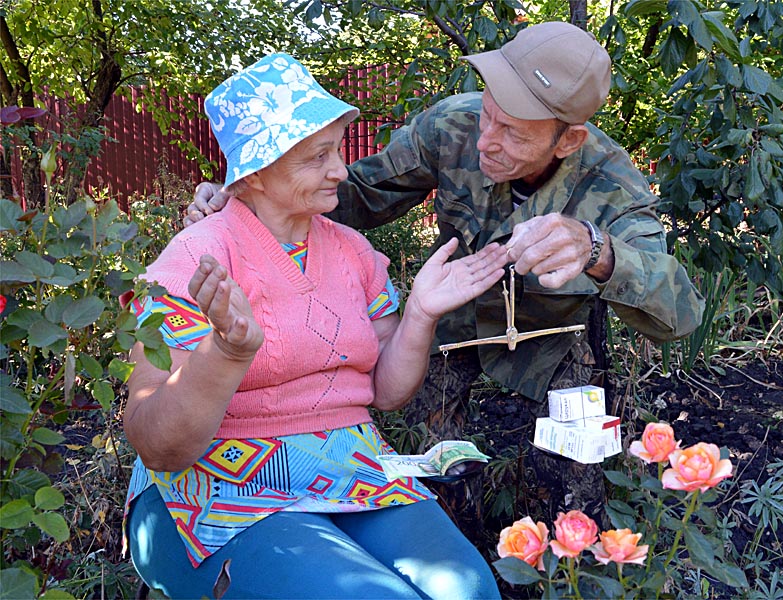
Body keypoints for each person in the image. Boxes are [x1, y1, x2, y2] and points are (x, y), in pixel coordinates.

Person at [187, 22, 705, 530]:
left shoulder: (613, 186)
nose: (486, 143)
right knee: (427, 475)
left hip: (550, 347)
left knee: (569, 502)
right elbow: (357, 195)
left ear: (567, 140)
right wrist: (246, 199)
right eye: (488, 115)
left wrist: (597, 250)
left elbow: (681, 314)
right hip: (450, 329)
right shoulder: (451, 127)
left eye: (513, 134)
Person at [122, 53, 507, 599]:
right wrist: (227, 352)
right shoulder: (194, 261)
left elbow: (384, 393)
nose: (341, 171)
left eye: (338, 151)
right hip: (217, 485)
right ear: (253, 174)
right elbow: (158, 443)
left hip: (352, 468)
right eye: (317, 157)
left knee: (468, 589)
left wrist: (420, 313)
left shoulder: (353, 253)